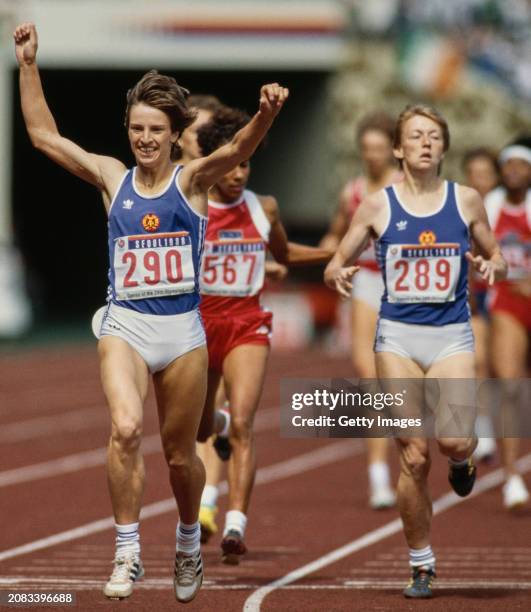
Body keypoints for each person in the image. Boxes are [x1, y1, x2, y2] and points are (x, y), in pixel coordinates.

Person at [14, 21, 288, 603]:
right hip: (125, 324)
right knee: (124, 428)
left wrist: (266, 113)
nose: (144, 138)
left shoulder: (192, 182)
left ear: (173, 134)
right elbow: (43, 136)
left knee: (180, 455)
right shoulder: (112, 177)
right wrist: (29, 64)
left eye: (155, 130)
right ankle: (128, 551)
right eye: (136, 128)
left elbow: (238, 149)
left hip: (182, 332)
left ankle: (189, 542)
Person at [325, 104, 507, 599]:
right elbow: (337, 259)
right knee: (413, 453)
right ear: (400, 149)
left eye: (433, 136)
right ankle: (421, 563)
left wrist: (495, 267)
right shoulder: (377, 205)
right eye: (415, 136)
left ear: (443, 147)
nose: (425, 142)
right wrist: (337, 271)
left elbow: (497, 255)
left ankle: (464, 458)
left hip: (451, 335)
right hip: (398, 337)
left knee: (452, 443)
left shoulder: (466, 201)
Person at [195, 105, 332, 563]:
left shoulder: (263, 207)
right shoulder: (192, 205)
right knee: (199, 427)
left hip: (245, 322)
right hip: (198, 324)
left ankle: (235, 521)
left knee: (246, 424)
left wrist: (334, 255)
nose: (238, 174)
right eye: (230, 164)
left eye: (246, 164)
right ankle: (221, 424)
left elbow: (284, 251)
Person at [320, 112, 402, 509]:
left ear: (393, 150)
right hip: (366, 280)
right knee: (371, 381)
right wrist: (324, 253)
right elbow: (336, 233)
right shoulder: (352, 191)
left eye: (379, 149)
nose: (372, 156)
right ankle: (378, 476)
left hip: (404, 285)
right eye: (366, 149)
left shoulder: (405, 189)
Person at [484, 143, 531, 510]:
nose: (513, 169)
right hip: (507, 303)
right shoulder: (490, 206)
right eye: (508, 164)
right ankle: (512, 476)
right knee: (510, 385)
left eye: (521, 163)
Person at [462, 148, 500, 462]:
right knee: (479, 361)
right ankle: (484, 428)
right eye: (473, 174)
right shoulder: (462, 207)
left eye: (485, 174)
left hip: (507, 294)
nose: (480, 180)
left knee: (504, 368)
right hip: (477, 294)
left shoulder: (505, 206)